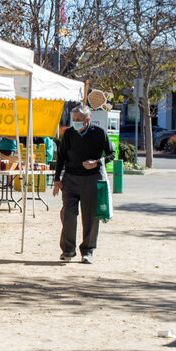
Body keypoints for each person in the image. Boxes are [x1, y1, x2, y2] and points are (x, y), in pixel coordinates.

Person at [53, 105, 115, 263]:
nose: (75, 123)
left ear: (88, 120)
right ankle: (67, 250)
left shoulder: (99, 133)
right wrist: (57, 179)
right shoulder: (68, 134)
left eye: (78, 120)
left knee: (90, 217)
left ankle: (87, 251)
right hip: (70, 179)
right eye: (73, 119)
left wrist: (97, 162)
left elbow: (112, 154)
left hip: (92, 179)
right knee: (68, 214)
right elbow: (60, 156)